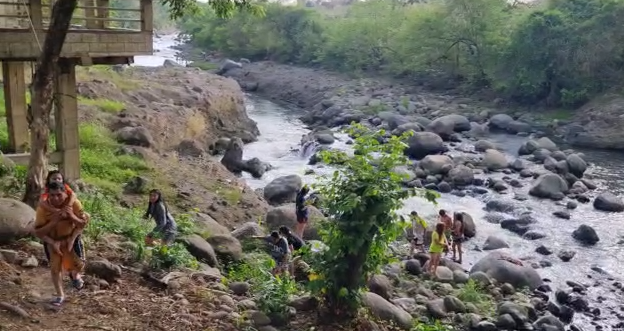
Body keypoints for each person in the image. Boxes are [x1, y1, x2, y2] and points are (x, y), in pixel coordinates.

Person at [34, 182, 89, 306]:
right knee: (55, 269)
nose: (56, 198)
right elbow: (38, 232)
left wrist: (71, 216)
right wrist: (54, 223)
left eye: (59, 195)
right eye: (52, 195)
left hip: (71, 238)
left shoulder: (74, 203)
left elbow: (82, 224)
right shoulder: (42, 209)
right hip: (52, 241)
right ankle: (60, 295)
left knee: (79, 265)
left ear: (66, 193)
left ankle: (75, 275)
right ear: (48, 195)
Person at [40, 170, 86, 268]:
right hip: (53, 224)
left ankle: (77, 262)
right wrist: (56, 211)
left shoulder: (66, 189)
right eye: (54, 178)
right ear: (49, 180)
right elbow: (42, 203)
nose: (57, 180)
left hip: (69, 222)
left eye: (59, 178)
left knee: (76, 233)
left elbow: (73, 195)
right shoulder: (46, 191)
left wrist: (68, 207)